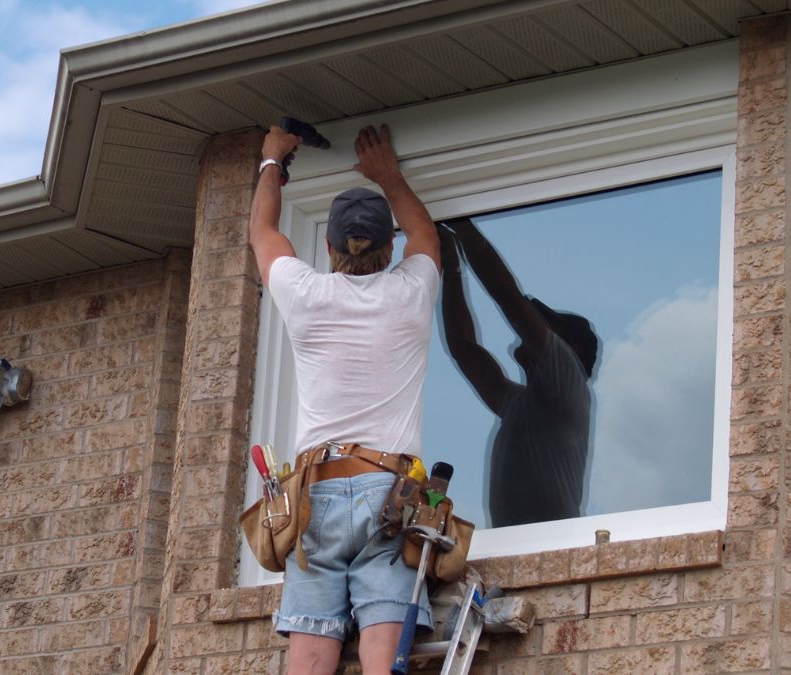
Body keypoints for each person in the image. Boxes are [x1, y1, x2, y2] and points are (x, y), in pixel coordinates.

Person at [249, 123, 441, 675]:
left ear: (330, 248)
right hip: (390, 490)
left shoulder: (305, 294)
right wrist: (389, 176)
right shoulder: (412, 291)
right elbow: (425, 234)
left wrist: (272, 161)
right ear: (389, 248)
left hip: (318, 493)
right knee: (384, 659)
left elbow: (262, 231)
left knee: (309, 659)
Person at [438, 219, 598, 528]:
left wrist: (462, 223)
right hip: (519, 547)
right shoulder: (523, 406)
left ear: (572, 350)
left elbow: (507, 297)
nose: (532, 329)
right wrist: (451, 267)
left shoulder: (570, 379)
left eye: (544, 324)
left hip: (551, 550)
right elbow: (463, 347)